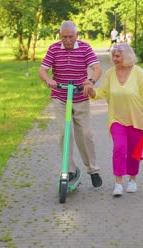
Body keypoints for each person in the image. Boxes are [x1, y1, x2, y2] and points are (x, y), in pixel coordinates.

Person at [87, 43, 143, 196]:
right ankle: (118, 183)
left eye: (117, 56)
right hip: (116, 118)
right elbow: (101, 93)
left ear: (126, 56)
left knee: (134, 151)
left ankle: (132, 180)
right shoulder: (110, 74)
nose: (114, 59)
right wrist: (91, 91)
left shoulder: (138, 72)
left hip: (136, 118)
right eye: (113, 56)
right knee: (119, 148)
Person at [38, 20, 103, 188]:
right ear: (60, 36)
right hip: (60, 96)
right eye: (64, 37)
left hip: (80, 97)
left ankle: (93, 170)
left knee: (86, 135)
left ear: (77, 36)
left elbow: (97, 68)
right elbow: (42, 70)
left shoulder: (85, 48)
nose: (67, 40)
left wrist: (90, 82)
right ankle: (70, 169)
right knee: (64, 133)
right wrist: (49, 80)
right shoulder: (53, 49)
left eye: (71, 37)